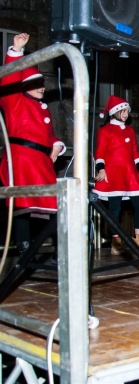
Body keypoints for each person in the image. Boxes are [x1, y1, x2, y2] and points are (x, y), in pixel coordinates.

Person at [0, 33, 65, 257]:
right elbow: (8, 80)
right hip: (22, 158)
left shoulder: (42, 108)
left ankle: (60, 248)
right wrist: (16, 52)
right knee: (23, 204)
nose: (42, 88)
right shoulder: (14, 101)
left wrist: (56, 145)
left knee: (54, 203)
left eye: (42, 84)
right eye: (36, 84)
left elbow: (47, 134)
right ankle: (24, 245)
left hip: (42, 161)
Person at [93, 95, 139, 253]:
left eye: (127, 111)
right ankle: (116, 241)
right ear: (114, 112)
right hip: (114, 174)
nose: (126, 114)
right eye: (123, 111)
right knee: (115, 209)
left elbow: (135, 152)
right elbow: (99, 152)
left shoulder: (130, 130)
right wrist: (101, 169)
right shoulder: (105, 131)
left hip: (130, 173)